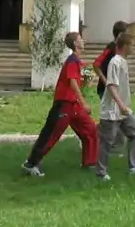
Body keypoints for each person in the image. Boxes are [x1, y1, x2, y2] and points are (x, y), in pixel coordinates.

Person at [22, 31, 98, 177]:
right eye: (80, 39)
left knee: (90, 130)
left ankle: (89, 163)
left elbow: (79, 83)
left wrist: (88, 79)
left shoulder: (78, 62)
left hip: (74, 105)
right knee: (52, 135)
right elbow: (73, 83)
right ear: (75, 44)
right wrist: (84, 103)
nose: (83, 41)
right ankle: (30, 164)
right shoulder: (72, 61)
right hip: (64, 104)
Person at [95, 32, 135, 181]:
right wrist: (121, 105)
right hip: (112, 110)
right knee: (107, 142)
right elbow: (111, 86)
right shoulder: (114, 62)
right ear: (124, 46)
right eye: (132, 46)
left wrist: (124, 107)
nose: (133, 49)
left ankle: (134, 167)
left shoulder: (122, 62)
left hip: (123, 110)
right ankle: (101, 173)